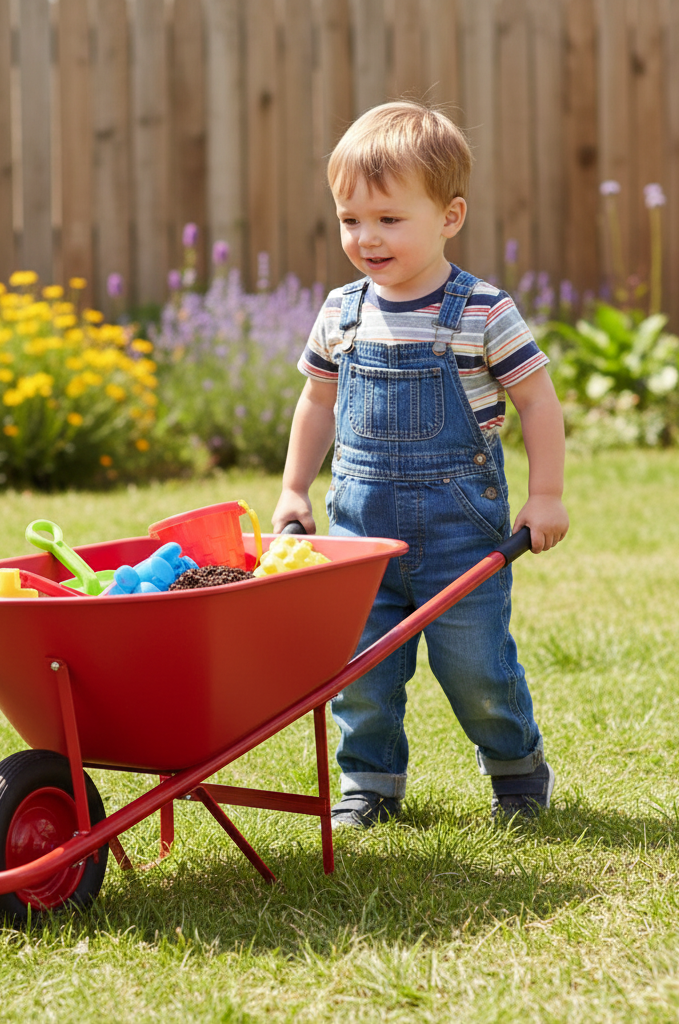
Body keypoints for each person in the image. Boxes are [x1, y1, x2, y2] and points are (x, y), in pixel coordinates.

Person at [272, 101, 569, 827]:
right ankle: (370, 784)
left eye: (388, 219)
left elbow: (537, 402)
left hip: (461, 537)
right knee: (360, 672)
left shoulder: (482, 312)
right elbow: (316, 403)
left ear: (450, 216)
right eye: (350, 220)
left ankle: (516, 772)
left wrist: (546, 496)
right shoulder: (341, 312)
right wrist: (293, 488)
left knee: (476, 668)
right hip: (360, 540)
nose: (366, 238)